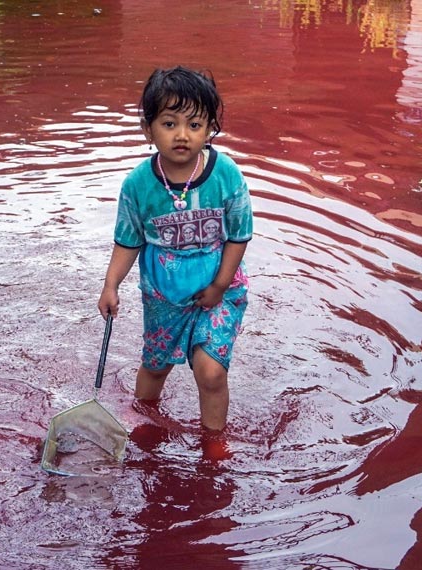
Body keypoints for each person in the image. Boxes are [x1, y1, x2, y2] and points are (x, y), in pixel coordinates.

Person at [97, 66, 253, 434]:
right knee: (155, 366)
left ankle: (214, 444)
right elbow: (128, 240)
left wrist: (219, 286)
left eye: (195, 125)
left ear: (210, 128)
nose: (182, 135)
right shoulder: (138, 185)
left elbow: (239, 235)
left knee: (211, 371)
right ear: (147, 129)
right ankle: (143, 423)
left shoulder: (225, 173)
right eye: (169, 124)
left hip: (219, 290)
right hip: (164, 296)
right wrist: (111, 284)